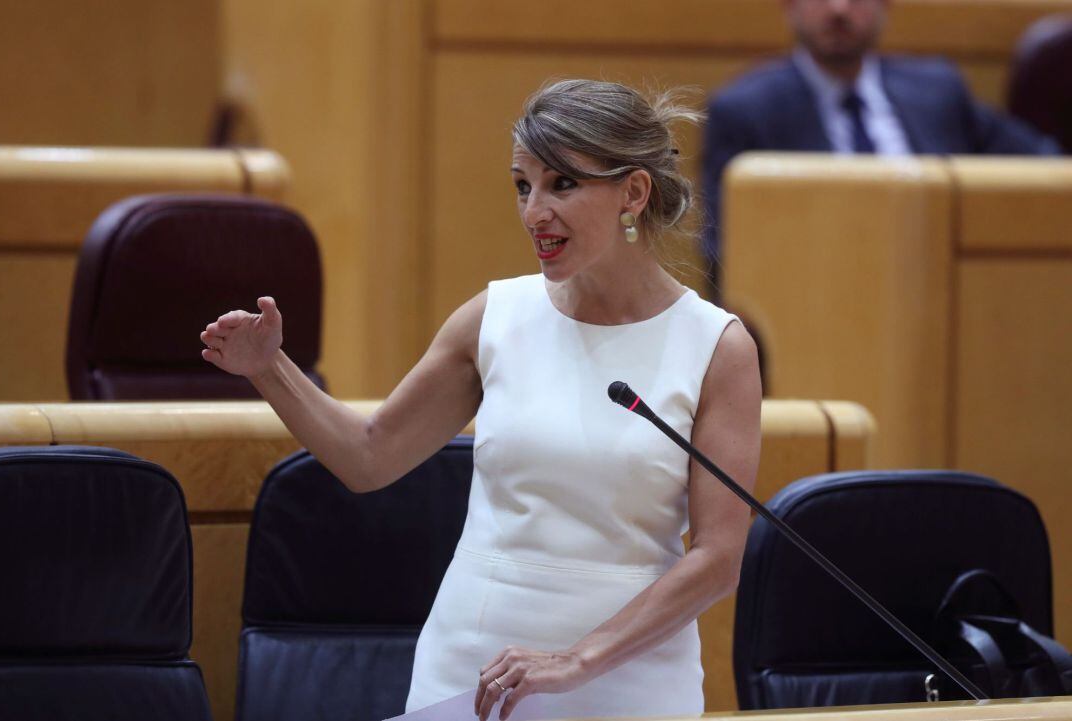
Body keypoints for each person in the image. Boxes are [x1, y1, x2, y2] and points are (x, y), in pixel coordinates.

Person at [200, 79, 762, 721]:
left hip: (630, 680)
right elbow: (368, 457)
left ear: (633, 193)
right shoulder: (495, 317)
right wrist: (269, 369)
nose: (534, 212)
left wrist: (579, 659)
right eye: (523, 186)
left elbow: (718, 560)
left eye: (562, 185)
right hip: (474, 666)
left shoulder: (716, 346)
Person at [701, 0, 1061, 277]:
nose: (839, 8)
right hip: (819, 302)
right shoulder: (745, 111)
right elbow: (725, 255)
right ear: (789, 5)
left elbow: (1045, 167)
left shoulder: (939, 89)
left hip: (944, 288)